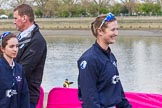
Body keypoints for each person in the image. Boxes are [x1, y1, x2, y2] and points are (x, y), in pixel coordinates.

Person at [77, 13, 132, 108]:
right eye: (113, 30)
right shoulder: (89, 59)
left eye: (117, 29)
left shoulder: (111, 57)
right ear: (100, 31)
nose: (116, 33)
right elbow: (89, 100)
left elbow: (118, 92)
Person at [13, 4, 47, 108]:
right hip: (13, 93)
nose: (13, 21)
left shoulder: (37, 41)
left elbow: (24, 69)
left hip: (26, 95)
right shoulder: (19, 37)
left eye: (15, 18)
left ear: (24, 18)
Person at [0, 32, 29, 108]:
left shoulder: (19, 68)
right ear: (2, 48)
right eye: (11, 46)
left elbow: (24, 95)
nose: (15, 49)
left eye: (17, 46)